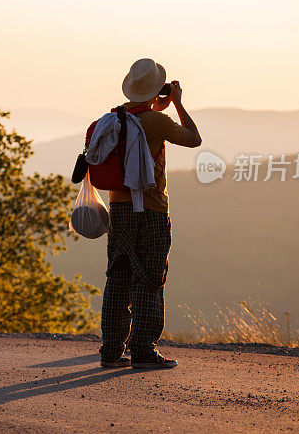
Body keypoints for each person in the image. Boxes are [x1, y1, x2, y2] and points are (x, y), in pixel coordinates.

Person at [100, 58, 201, 369]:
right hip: (151, 209)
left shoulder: (116, 117)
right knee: (149, 278)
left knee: (118, 278)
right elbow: (193, 138)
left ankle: (111, 351)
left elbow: (139, 124)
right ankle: (143, 350)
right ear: (158, 88)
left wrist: (157, 104)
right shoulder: (155, 121)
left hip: (118, 206)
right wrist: (178, 104)